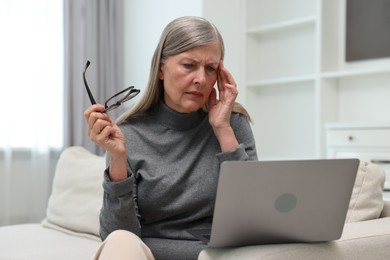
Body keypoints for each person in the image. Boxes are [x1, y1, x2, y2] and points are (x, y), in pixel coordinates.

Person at [84, 16, 257, 260]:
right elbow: (117, 234)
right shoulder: (128, 133)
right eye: (189, 65)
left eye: (210, 68)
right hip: (150, 255)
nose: (201, 79)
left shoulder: (232, 123)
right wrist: (118, 160)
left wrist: (222, 129)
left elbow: (253, 214)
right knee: (121, 241)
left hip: (215, 255)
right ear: (161, 69)